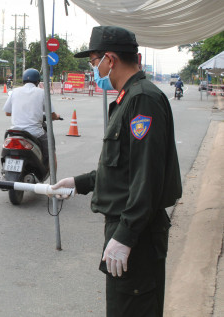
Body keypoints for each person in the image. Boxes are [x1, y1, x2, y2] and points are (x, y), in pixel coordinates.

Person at [51, 26, 182, 317]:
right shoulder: (129, 98)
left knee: (131, 309)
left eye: (93, 61)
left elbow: (146, 177)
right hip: (131, 224)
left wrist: (125, 236)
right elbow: (123, 168)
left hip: (138, 231)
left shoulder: (141, 99)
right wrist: (78, 182)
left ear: (109, 60)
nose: (92, 69)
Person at [2, 68, 61, 164]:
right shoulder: (42, 92)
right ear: (37, 81)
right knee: (51, 152)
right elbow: (51, 115)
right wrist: (57, 116)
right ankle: (52, 175)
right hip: (35, 133)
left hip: (15, 132)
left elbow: (7, 112)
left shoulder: (15, 91)